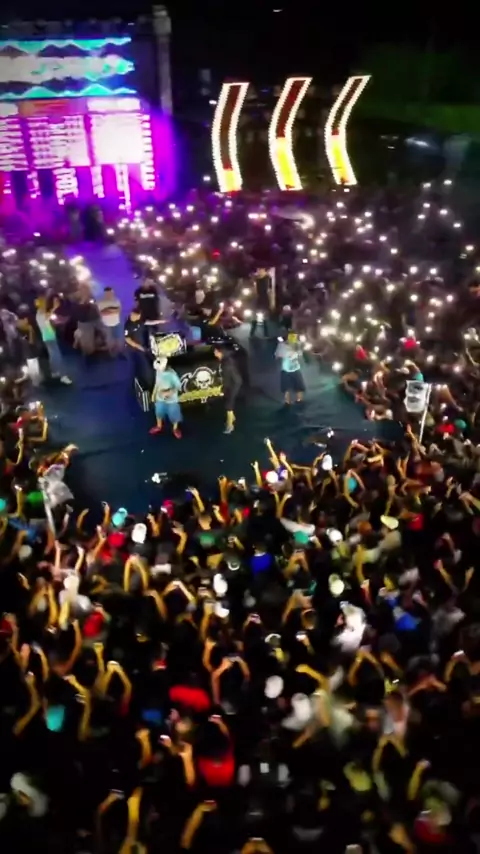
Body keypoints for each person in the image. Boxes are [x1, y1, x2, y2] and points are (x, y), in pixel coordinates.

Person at [35, 296, 71, 384]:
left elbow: (49, 319)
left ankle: (54, 372)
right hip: (49, 337)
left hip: (48, 337)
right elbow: (47, 317)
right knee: (57, 356)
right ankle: (62, 375)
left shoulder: (40, 314)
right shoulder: (40, 314)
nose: (45, 306)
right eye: (43, 304)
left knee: (53, 356)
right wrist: (55, 307)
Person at [150, 356, 182, 438]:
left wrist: (169, 392)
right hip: (160, 397)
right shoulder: (158, 371)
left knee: (174, 414)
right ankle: (159, 426)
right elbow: (157, 383)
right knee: (159, 412)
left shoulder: (172, 374)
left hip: (172, 399)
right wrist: (154, 394)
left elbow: (178, 387)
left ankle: (175, 429)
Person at [214, 346, 242, 434]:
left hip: (234, 384)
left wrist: (223, 391)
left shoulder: (225, 363)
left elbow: (227, 380)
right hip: (235, 381)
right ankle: (232, 417)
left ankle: (230, 426)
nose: (214, 353)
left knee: (229, 404)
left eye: (215, 352)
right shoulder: (226, 358)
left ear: (220, 352)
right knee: (229, 401)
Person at [124, 306, 151, 387]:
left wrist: (162, 321)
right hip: (133, 351)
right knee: (136, 368)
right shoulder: (128, 325)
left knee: (144, 368)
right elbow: (128, 340)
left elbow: (148, 322)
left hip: (141, 349)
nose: (138, 317)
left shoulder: (139, 322)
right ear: (132, 314)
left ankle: (145, 384)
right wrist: (139, 347)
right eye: (137, 315)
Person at [275, 332, 305, 404]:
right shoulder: (283, 345)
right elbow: (277, 355)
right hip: (287, 369)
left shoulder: (296, 344)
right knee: (287, 387)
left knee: (297, 386)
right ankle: (288, 401)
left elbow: (300, 354)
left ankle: (298, 400)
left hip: (294, 368)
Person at [96, 287, 123, 355]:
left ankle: (118, 353)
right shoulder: (100, 302)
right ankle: (110, 353)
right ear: (105, 293)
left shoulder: (116, 300)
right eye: (108, 293)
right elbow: (101, 313)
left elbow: (119, 311)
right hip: (106, 324)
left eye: (111, 293)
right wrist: (112, 310)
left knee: (118, 339)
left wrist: (108, 310)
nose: (109, 294)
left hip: (116, 323)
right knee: (109, 340)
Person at [250, 267, 273, 337]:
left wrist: (271, 301)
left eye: (261, 270)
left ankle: (266, 333)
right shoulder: (256, 278)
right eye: (258, 270)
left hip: (264, 298)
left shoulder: (267, 278)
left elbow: (269, 290)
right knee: (255, 316)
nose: (259, 271)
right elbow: (254, 288)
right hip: (258, 298)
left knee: (265, 316)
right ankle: (252, 332)